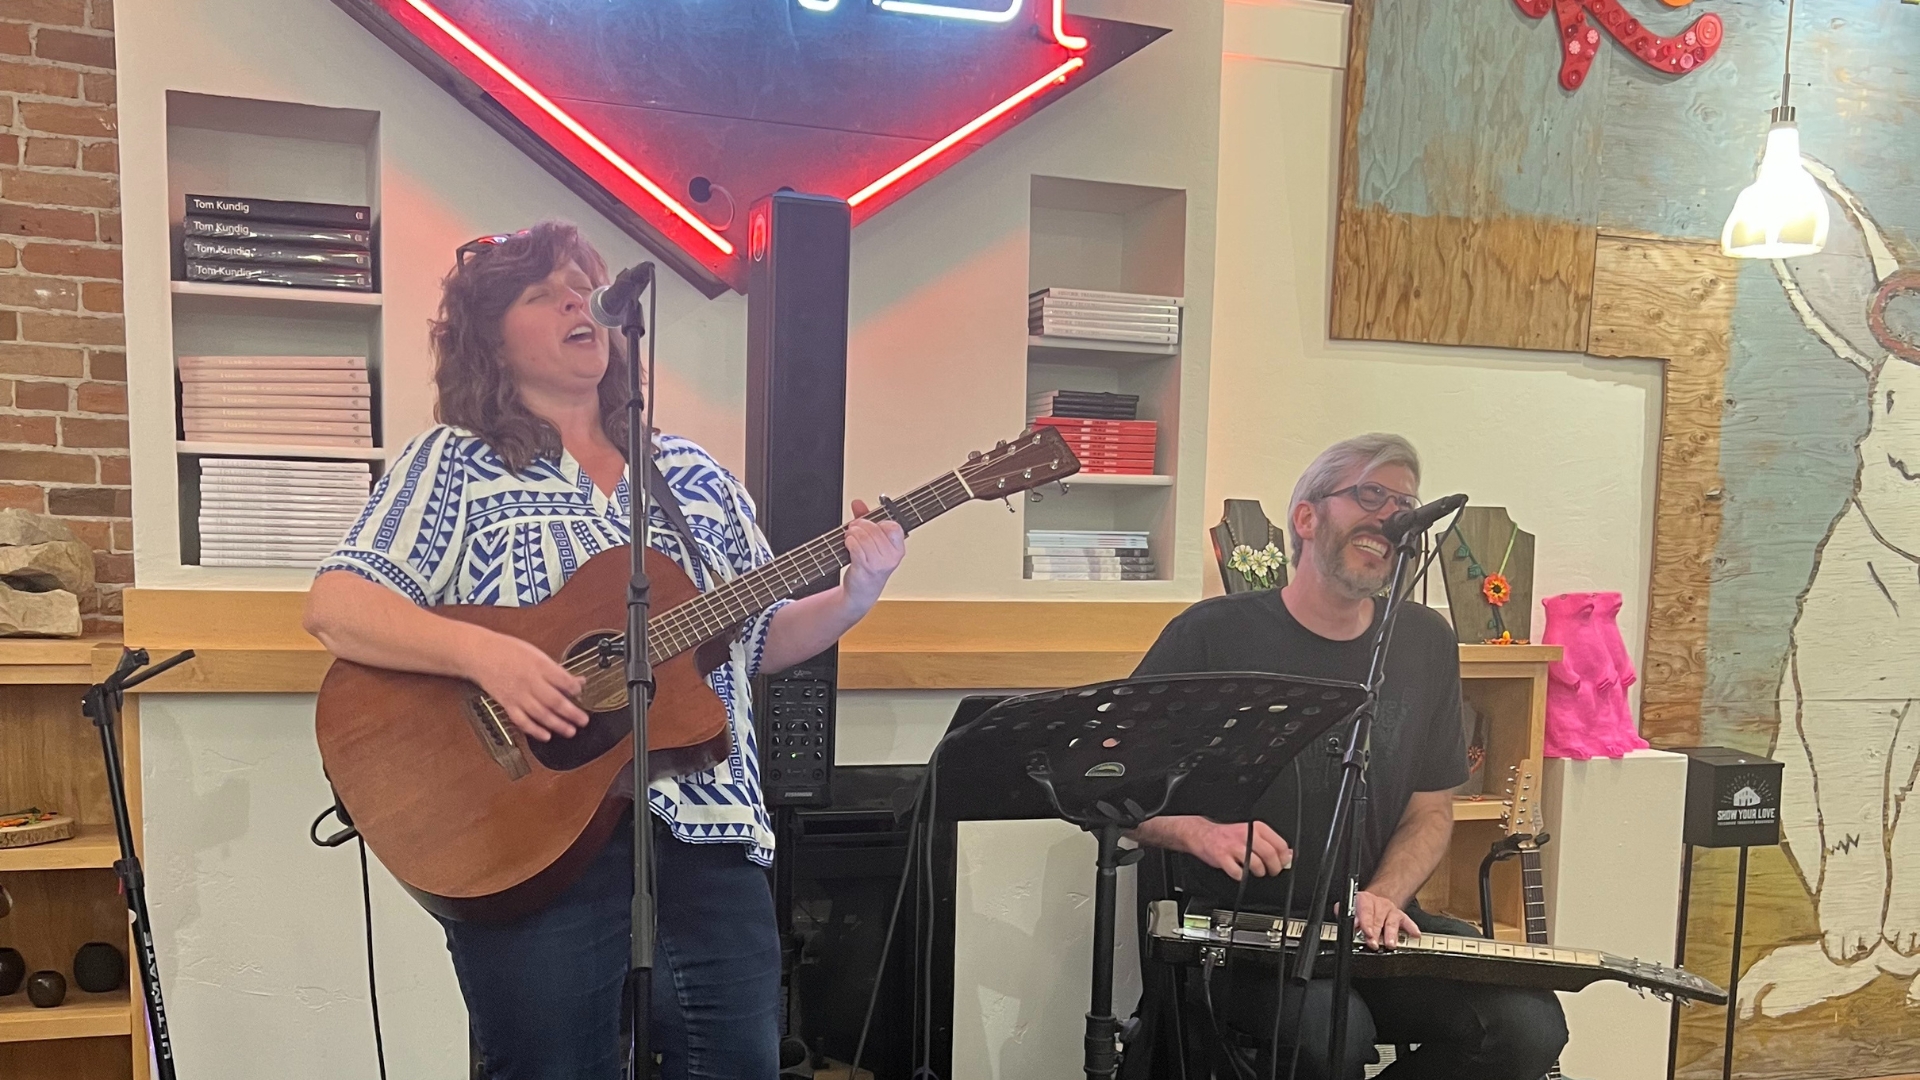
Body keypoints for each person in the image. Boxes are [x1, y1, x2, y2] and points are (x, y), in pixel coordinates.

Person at [302, 222, 906, 1080]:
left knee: (739, 1065)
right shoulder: (456, 464)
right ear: (490, 337)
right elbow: (338, 605)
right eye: (541, 293)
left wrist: (856, 591)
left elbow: (757, 641)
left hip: (708, 827)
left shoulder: (692, 476)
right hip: (528, 834)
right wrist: (489, 657)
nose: (574, 303)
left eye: (582, 287)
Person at [1126, 433, 1566, 1079]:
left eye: (1403, 502)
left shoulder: (1423, 641)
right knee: (1330, 1035)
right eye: (1369, 494)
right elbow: (1107, 787)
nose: (1390, 514)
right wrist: (1198, 831)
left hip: (1371, 935)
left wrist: (1387, 894)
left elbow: (1431, 810)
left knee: (1529, 1028)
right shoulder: (1212, 634)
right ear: (1306, 517)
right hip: (1247, 937)